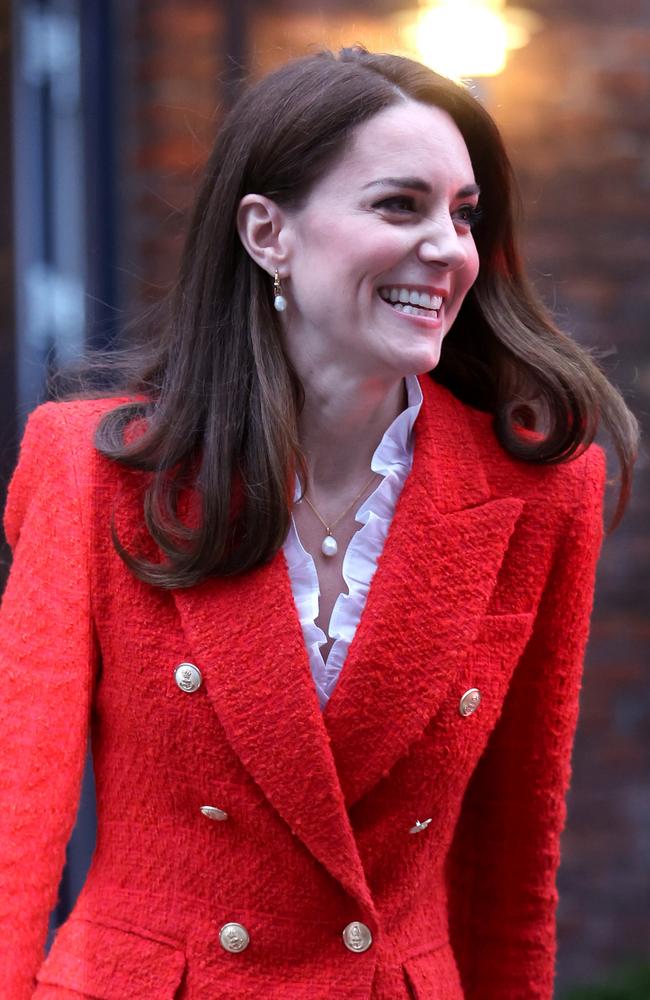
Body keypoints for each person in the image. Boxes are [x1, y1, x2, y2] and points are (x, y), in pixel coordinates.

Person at [0, 46, 639, 1000]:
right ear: (268, 233)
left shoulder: (541, 496)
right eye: (399, 205)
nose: (448, 248)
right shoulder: (94, 468)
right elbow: (18, 822)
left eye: (463, 215)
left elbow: (511, 877)